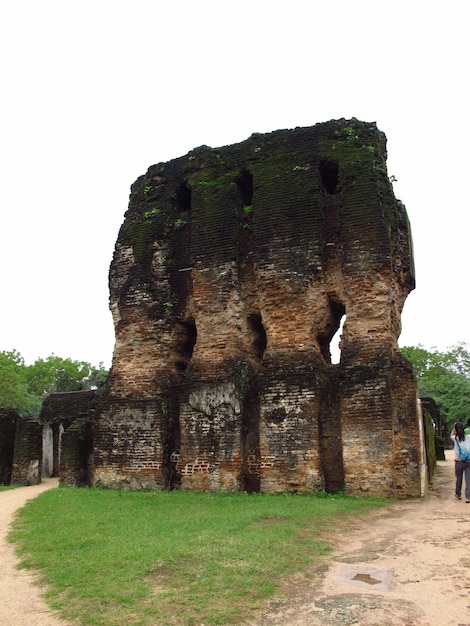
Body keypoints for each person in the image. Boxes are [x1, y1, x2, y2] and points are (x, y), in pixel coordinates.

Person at [451, 421, 470, 502]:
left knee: (459, 478)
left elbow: (452, 434)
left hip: (459, 461)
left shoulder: (455, 438)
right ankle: (468, 497)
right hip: (469, 460)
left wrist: (454, 427)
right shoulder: (468, 437)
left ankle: (458, 494)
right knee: (468, 479)